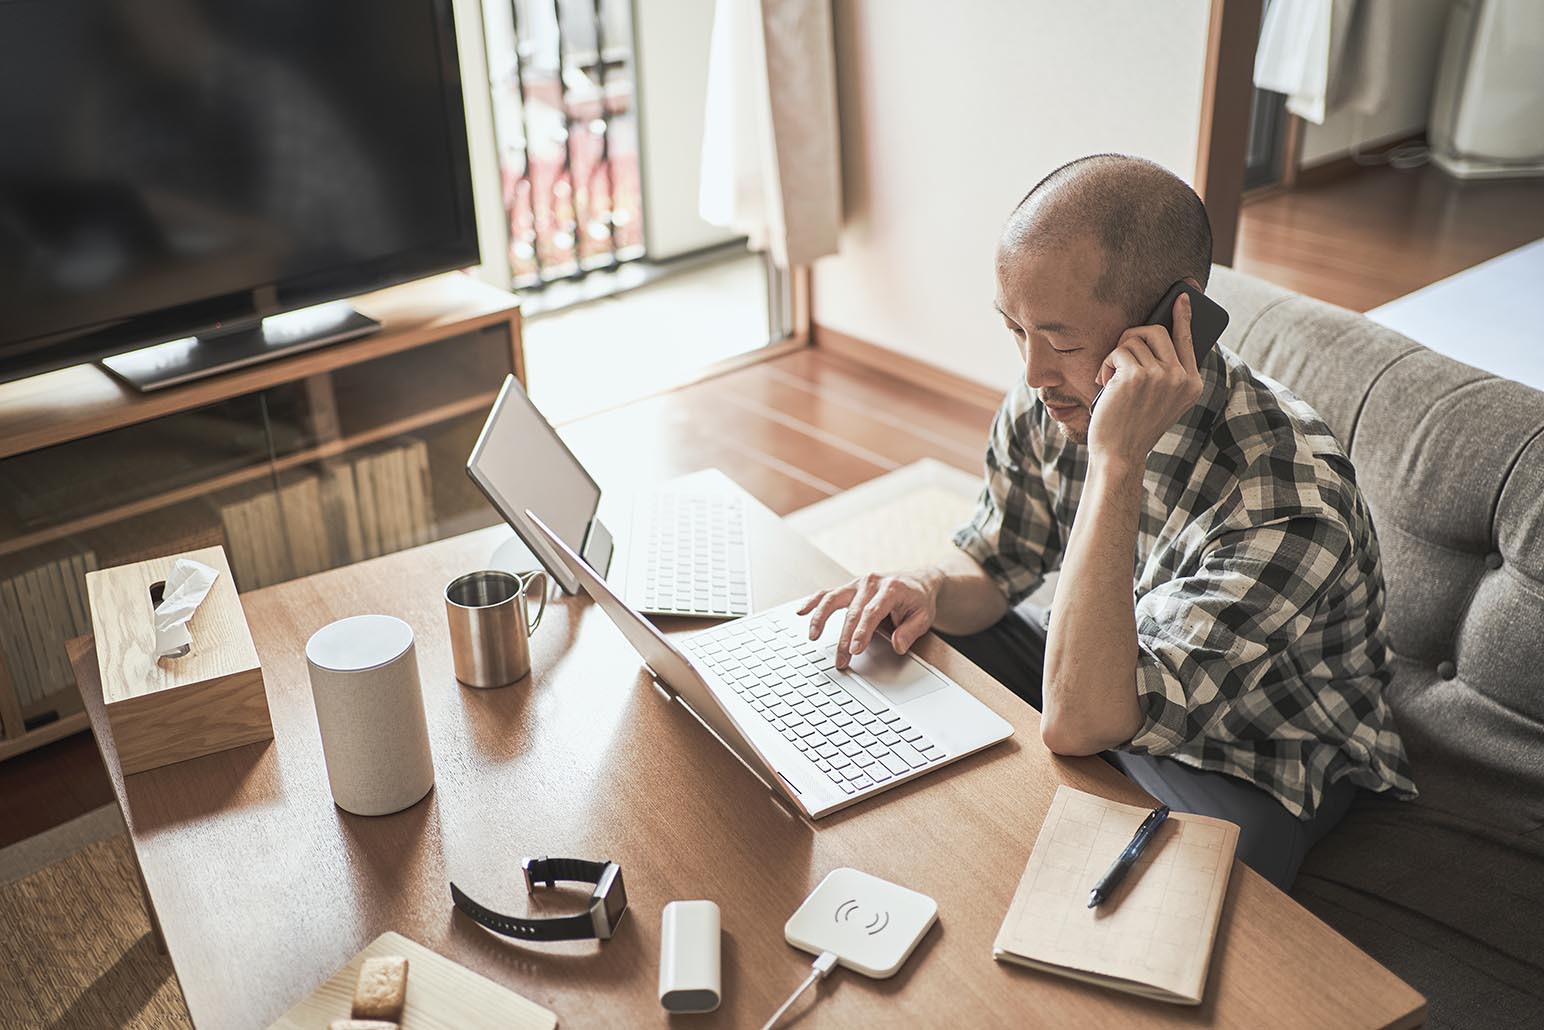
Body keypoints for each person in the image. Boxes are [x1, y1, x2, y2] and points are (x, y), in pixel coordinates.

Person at [799, 154, 1416, 890]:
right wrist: (929, 584)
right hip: (1109, 669)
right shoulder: (1049, 397)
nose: (1031, 373)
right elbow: (998, 566)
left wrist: (1116, 460)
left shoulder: (1288, 503)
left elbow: (1079, 722)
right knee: (905, 654)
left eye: (1060, 341)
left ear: (1170, 324)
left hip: (1252, 753)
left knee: (1152, 907)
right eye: (1014, 329)